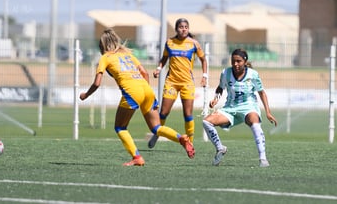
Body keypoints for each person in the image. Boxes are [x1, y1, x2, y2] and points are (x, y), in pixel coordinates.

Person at [79, 28, 195, 166]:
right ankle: (181, 138)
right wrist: (147, 96)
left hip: (132, 92)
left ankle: (137, 157)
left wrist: (85, 95)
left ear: (102, 46)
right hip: (146, 90)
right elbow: (145, 73)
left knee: (120, 127)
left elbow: (97, 83)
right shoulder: (128, 55)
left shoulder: (105, 58)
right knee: (156, 127)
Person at [202, 48, 278, 167]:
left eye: (238, 61)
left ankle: (263, 159)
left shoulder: (253, 74)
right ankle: (220, 148)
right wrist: (215, 99)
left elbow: (262, 93)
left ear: (245, 61)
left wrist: (268, 112)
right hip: (230, 108)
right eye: (233, 61)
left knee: (255, 122)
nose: (235, 64)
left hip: (249, 107)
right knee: (206, 122)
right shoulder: (225, 73)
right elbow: (220, 87)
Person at [148, 18, 208, 148]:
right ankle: (157, 134)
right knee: (163, 112)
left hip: (187, 83)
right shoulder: (169, 43)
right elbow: (164, 58)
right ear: (176, 29)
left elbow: (203, 60)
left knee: (187, 114)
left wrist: (204, 75)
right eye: (181, 27)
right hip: (172, 82)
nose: (184, 29)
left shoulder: (193, 43)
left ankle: (190, 143)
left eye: (186, 26)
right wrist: (158, 69)